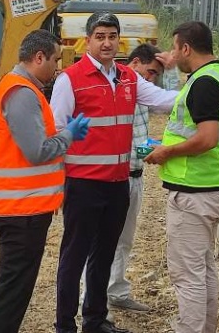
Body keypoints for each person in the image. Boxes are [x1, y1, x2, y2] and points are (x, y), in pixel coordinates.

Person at [51, 13, 179, 333]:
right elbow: (56, 130)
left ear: (119, 41)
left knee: (104, 256)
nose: (107, 42)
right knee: (74, 257)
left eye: (112, 36)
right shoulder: (71, 78)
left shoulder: (128, 78)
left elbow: (165, 101)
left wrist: (192, 80)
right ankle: (65, 325)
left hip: (117, 184)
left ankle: (94, 321)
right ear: (88, 40)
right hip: (83, 185)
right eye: (100, 36)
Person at [0, 29, 90, 333]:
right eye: (55, 59)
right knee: (12, 293)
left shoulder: (22, 89)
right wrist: (68, 135)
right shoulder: (21, 93)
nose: (57, 67)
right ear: (39, 57)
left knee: (13, 290)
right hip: (21, 212)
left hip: (22, 209)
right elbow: (37, 151)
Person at [143, 21, 219, 333]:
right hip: (211, 185)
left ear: (186, 48)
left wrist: (166, 153)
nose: (172, 54)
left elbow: (207, 138)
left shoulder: (204, 83)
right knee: (203, 267)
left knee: (188, 274)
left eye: (175, 47)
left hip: (195, 190)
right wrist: (165, 145)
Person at [84, 43, 180, 316]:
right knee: (101, 243)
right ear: (135, 63)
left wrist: (153, 148)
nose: (151, 80)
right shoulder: (123, 85)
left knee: (123, 240)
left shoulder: (137, 89)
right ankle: (91, 302)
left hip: (133, 176)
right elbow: (168, 102)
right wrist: (157, 150)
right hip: (115, 177)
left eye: (155, 76)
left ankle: (116, 291)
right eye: (150, 72)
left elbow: (163, 107)